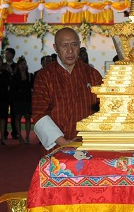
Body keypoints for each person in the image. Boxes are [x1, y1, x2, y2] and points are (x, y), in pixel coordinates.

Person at [32, 27, 102, 156]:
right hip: (56, 147)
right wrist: (64, 142)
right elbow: (38, 113)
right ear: (55, 48)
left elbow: (103, 109)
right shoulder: (45, 76)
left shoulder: (93, 75)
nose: (70, 51)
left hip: (88, 145)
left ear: (80, 46)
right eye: (64, 46)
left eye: (74, 45)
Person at [10, 57, 33, 144]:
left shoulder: (30, 75)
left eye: (24, 64)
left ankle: (27, 136)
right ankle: (19, 135)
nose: (23, 66)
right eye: (21, 64)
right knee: (18, 117)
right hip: (18, 99)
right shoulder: (15, 76)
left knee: (27, 117)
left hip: (27, 99)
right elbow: (12, 89)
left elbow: (32, 87)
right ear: (18, 66)